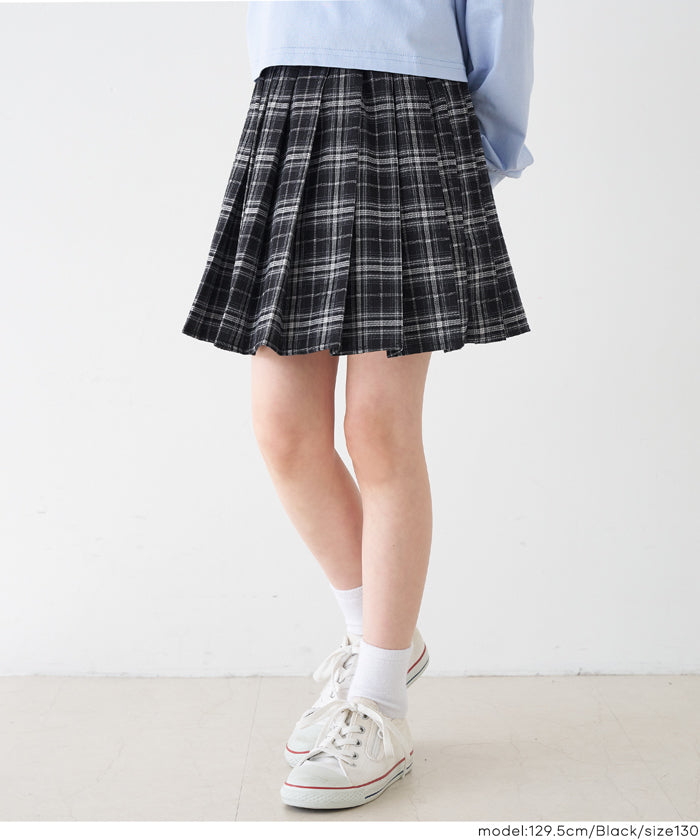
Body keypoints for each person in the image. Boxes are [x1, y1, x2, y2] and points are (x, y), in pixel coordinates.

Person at [182, 0, 535, 811]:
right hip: (290, 102)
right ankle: (378, 634)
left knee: (378, 429)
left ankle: (379, 697)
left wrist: (479, 146)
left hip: (412, 109)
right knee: (283, 430)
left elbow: (500, 17)